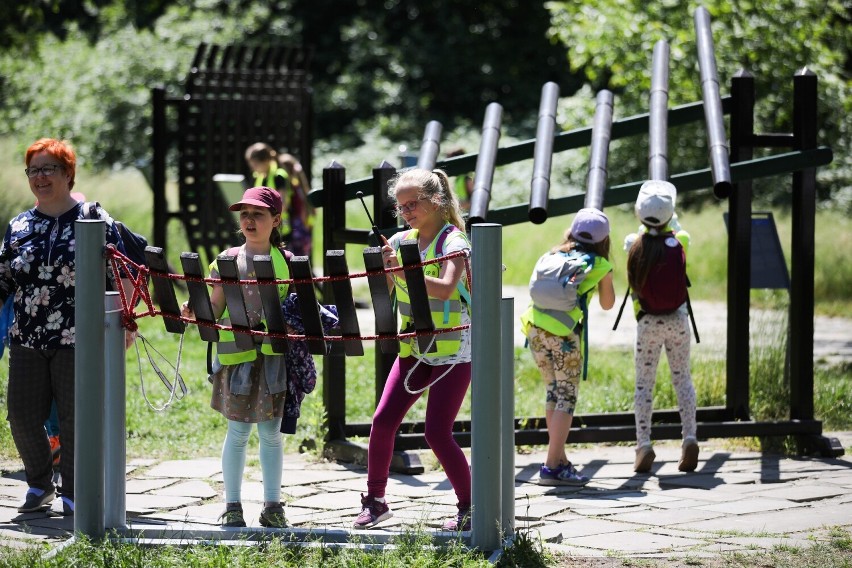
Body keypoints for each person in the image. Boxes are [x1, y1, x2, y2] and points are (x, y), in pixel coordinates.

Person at [0, 138, 132, 516]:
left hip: (81, 337)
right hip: (26, 337)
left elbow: (123, 274)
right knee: (21, 415)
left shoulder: (95, 220)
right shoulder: (19, 225)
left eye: (49, 169)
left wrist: (125, 322)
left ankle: (74, 490)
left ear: (68, 174)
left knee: (77, 418)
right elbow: (3, 279)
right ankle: (40, 484)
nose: (40, 177)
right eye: (33, 170)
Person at [353, 168, 472, 531]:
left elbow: (446, 288)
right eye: (400, 207)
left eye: (412, 204)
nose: (406, 213)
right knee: (383, 421)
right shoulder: (403, 239)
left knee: (437, 432)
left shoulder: (454, 242)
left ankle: (470, 507)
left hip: (454, 350)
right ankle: (375, 502)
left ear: (436, 202)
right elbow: (389, 288)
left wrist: (404, 271)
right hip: (415, 346)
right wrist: (384, 268)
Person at [180, 186, 290, 528]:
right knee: (238, 433)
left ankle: (273, 506)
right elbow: (214, 307)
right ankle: (232, 506)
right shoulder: (226, 260)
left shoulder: (286, 262)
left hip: (272, 361)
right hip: (236, 360)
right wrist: (195, 310)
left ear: (276, 220)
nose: (250, 220)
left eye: (258, 214)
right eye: (245, 214)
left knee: (271, 435)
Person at [520, 208, 615, 486]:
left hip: (535, 329)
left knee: (553, 393)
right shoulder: (598, 264)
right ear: (603, 240)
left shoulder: (551, 254)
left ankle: (559, 460)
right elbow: (608, 304)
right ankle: (551, 466)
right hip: (564, 336)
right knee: (567, 397)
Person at [624, 180, 698, 473]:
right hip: (678, 319)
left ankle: (643, 444)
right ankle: (689, 437)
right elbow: (677, 229)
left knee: (644, 385)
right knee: (683, 380)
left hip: (648, 323)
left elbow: (644, 233)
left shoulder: (633, 243)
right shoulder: (681, 241)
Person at [244, 143, 312, 257]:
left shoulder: (278, 176)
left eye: (255, 164)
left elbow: (283, 203)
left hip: (282, 226)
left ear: (265, 160)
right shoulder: (259, 176)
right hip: (266, 227)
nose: (253, 168)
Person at [276, 152, 315, 259]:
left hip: (297, 224)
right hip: (303, 224)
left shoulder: (291, 186)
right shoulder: (300, 185)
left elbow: (299, 206)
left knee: (297, 256)